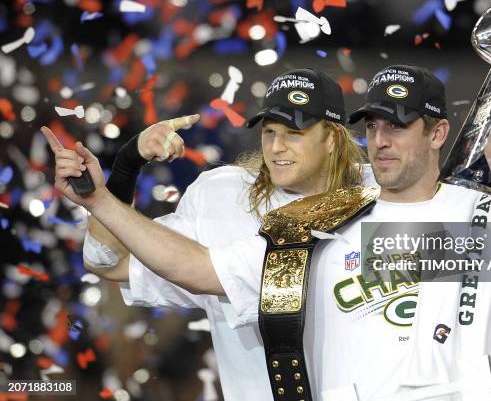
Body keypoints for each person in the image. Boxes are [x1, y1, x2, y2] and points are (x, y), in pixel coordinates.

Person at [42, 59, 491, 401]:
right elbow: (190, 269)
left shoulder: (470, 225)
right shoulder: (314, 227)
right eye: (376, 126)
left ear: (437, 134)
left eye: (399, 126)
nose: (382, 140)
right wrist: (106, 188)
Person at [42, 68, 372, 401]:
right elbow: (107, 262)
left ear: (332, 138)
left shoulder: (383, 197)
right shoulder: (223, 196)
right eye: (269, 132)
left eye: (293, 133)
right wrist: (127, 165)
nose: (277, 147)